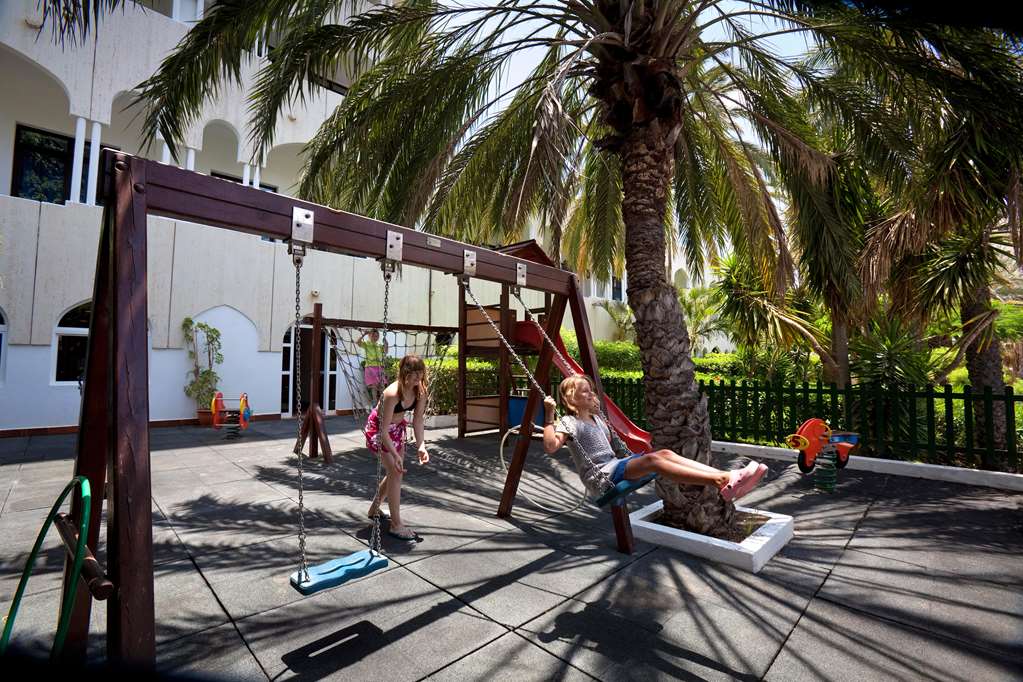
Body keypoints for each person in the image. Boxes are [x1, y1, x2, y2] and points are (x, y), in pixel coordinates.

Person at [542, 374, 767, 501]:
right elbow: (551, 446)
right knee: (654, 461)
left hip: (615, 466)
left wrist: (600, 414)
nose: (591, 393)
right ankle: (722, 480)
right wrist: (549, 415)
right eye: (585, 391)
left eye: (591, 390)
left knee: (665, 454)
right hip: (601, 477)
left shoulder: (598, 419)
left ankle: (727, 478)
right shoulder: (569, 422)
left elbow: (616, 448)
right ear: (571, 399)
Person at [364, 355, 430, 541]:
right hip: (378, 431)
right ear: (404, 373)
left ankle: (374, 509)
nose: (418, 377)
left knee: (395, 471)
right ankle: (396, 525)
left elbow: (418, 420)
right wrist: (394, 454)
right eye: (413, 373)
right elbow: (383, 430)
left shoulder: (420, 391)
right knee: (396, 471)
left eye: (420, 373)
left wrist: (421, 446)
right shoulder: (392, 394)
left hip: (397, 429)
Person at [357, 329, 388, 404]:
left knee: (382, 385)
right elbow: (358, 342)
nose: (375, 337)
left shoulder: (379, 345)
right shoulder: (367, 344)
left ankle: (382, 402)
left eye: (377, 336)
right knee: (374, 386)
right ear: (369, 336)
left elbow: (385, 351)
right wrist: (363, 334)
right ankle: (375, 401)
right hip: (370, 367)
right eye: (373, 336)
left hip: (379, 367)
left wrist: (386, 343)